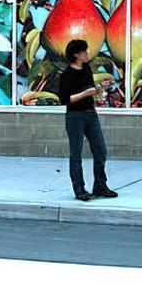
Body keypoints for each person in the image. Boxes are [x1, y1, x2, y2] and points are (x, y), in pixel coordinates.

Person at [57, 39, 117, 201]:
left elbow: (90, 89)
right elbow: (65, 99)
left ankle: (100, 185)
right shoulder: (66, 75)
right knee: (76, 153)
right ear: (76, 54)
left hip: (91, 113)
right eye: (84, 51)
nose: (87, 54)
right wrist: (85, 94)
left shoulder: (87, 69)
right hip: (75, 116)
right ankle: (79, 189)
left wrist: (100, 89)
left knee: (100, 150)